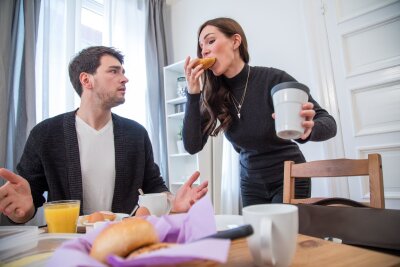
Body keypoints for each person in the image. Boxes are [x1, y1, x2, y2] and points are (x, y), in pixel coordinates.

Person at [0, 46, 208, 224]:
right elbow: (27, 201)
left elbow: (153, 186)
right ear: (86, 79)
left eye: (123, 72)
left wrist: (173, 202)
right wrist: (22, 212)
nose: (125, 79)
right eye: (114, 71)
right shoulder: (45, 134)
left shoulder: (136, 133)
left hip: (124, 239)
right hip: (66, 242)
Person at [182, 17, 336, 207]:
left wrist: (309, 129)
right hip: (251, 184)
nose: (204, 50)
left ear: (235, 41)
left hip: (289, 176)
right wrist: (192, 94)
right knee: (257, 237)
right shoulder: (214, 94)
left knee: (286, 236)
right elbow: (192, 145)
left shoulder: (273, 79)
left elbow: (329, 123)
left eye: (211, 41)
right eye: (201, 46)